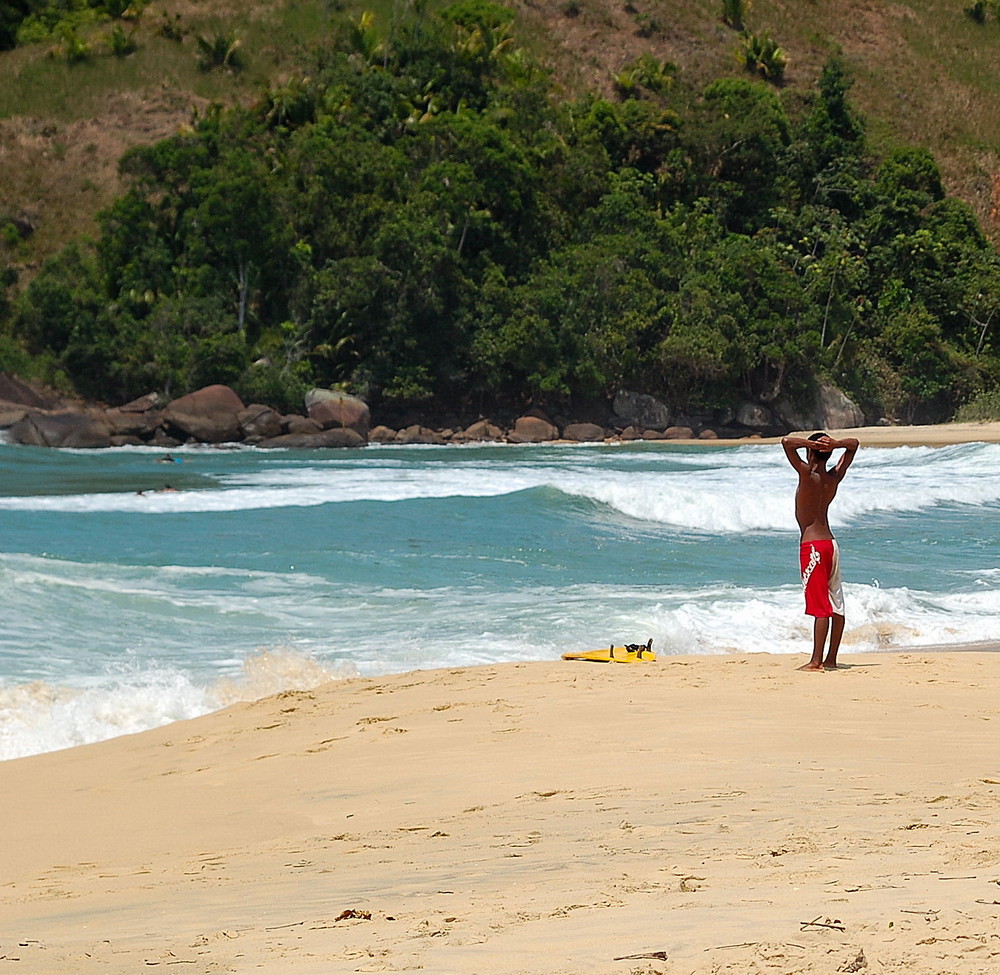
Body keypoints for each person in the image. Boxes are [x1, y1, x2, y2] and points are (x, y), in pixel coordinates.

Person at [781, 432, 860, 671]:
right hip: (831, 545)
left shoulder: (808, 475)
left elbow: (786, 442)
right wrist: (836, 445)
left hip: (813, 547)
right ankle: (831, 659)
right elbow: (854, 444)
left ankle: (816, 661)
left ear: (809, 452)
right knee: (836, 603)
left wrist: (809, 443)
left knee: (820, 606)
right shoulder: (833, 477)